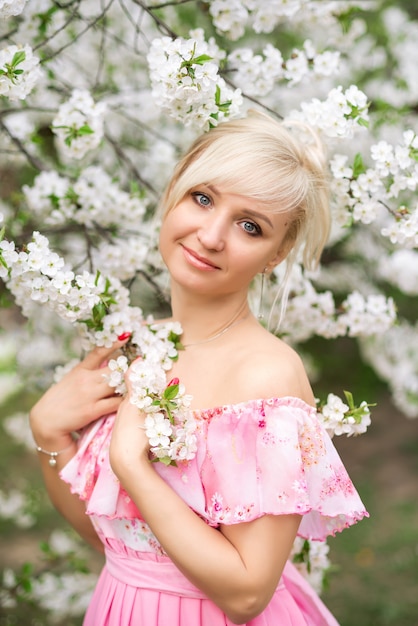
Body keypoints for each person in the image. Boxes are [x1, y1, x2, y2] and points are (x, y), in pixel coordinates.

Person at [30, 111, 368, 626]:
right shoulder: (138, 345)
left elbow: (248, 593)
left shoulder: (265, 379)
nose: (211, 235)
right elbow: (119, 544)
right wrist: (50, 434)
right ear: (175, 189)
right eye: (203, 198)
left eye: (250, 226)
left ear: (275, 254)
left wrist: (133, 466)